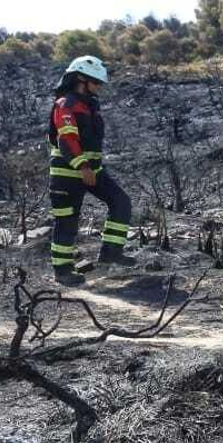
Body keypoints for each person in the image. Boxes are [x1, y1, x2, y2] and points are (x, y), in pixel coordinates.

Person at [46, 55, 135, 287]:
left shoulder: (89, 106)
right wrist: (82, 166)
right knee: (67, 222)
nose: (99, 88)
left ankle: (111, 252)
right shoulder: (65, 104)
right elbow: (67, 140)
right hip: (68, 174)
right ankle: (63, 271)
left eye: (100, 84)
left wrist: (91, 168)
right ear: (80, 80)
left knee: (121, 202)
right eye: (96, 83)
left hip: (93, 172)